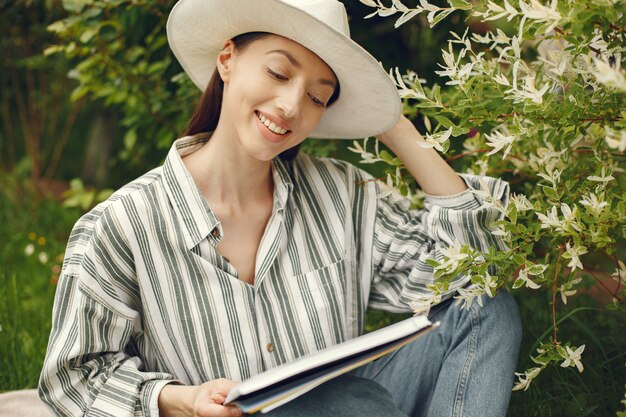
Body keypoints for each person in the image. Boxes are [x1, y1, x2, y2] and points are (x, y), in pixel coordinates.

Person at [38, 0, 522, 416]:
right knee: (357, 405)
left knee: (485, 307)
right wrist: (179, 400)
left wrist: (394, 125)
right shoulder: (123, 224)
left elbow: (474, 270)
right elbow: (72, 380)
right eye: (277, 72)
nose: (291, 105)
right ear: (227, 59)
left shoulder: (342, 195)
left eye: (318, 96)